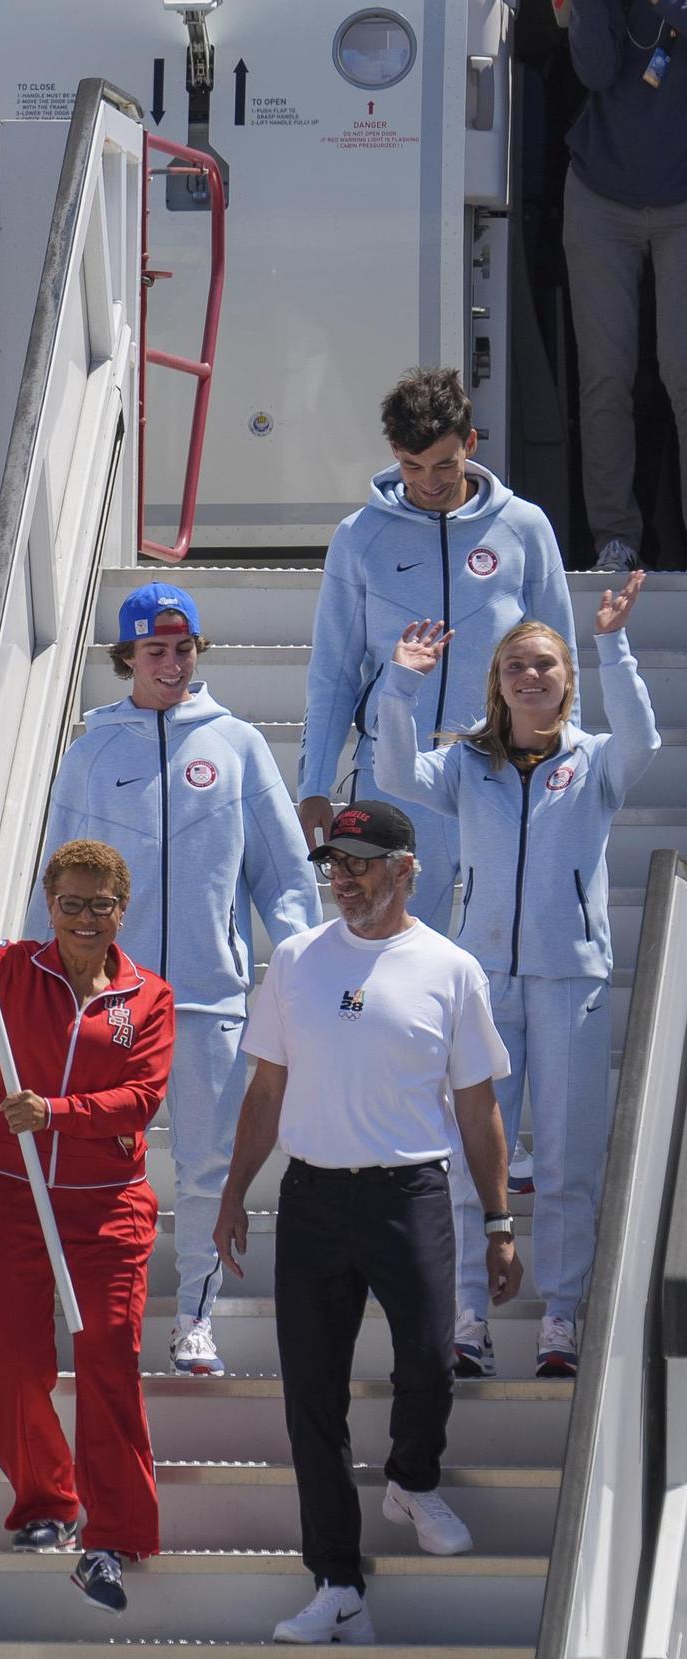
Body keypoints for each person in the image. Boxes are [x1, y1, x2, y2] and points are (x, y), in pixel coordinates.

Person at [212, 800, 522, 1645]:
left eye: (358, 861)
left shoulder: (452, 969)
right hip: (311, 1199)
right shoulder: (298, 960)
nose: (341, 877)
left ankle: (412, 1478)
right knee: (312, 1400)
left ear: (404, 867)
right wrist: (237, 1191)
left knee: (430, 1358)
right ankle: (336, 1583)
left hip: (408, 1195)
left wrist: (498, 1222)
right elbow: (266, 1092)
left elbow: (479, 1106)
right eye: (332, 864)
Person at [25, 581, 320, 1377]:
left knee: (205, 1165)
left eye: (184, 648)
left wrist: (299, 970)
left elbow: (285, 876)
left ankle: (196, 1319)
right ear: (127, 658)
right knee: (94, 1156)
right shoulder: (93, 750)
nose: (172, 663)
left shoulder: (237, 745)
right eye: (155, 651)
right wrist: (33, 973)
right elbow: (55, 874)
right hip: (108, 997)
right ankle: (95, 1311)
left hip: (206, 992)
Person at [374, 570, 659, 1377]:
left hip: (572, 981)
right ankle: (469, 1314)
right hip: (485, 981)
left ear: (567, 682)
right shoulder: (470, 765)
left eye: (546, 665)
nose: (531, 676)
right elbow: (396, 774)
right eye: (515, 667)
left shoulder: (596, 763)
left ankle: (561, 1318)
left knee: (568, 1157)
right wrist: (402, 682)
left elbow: (646, 741)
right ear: (497, 684)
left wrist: (613, 643)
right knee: (472, 1157)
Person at [0, 828, 174, 1614]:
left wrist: (55, 1113)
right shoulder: (8, 971)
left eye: (100, 905)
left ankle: (119, 1529)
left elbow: (142, 1098)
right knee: (14, 1364)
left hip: (107, 1206)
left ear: (123, 910)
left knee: (107, 1360)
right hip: (10, 1192)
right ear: (49, 907)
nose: (85, 919)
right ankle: (45, 1506)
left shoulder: (148, 998)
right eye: (71, 905)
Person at [297, 365, 578, 933]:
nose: (429, 481)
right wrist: (314, 784)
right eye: (412, 465)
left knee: (502, 951)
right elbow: (334, 671)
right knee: (385, 949)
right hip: (393, 775)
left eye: (445, 464)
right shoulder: (359, 537)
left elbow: (561, 658)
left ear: (470, 445)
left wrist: (568, 767)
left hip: (500, 769)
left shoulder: (524, 527)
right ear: (394, 452)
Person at [563, 0, 687, 571]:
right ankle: (615, 539)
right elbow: (593, 70)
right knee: (605, 377)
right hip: (599, 195)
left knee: (682, 370)